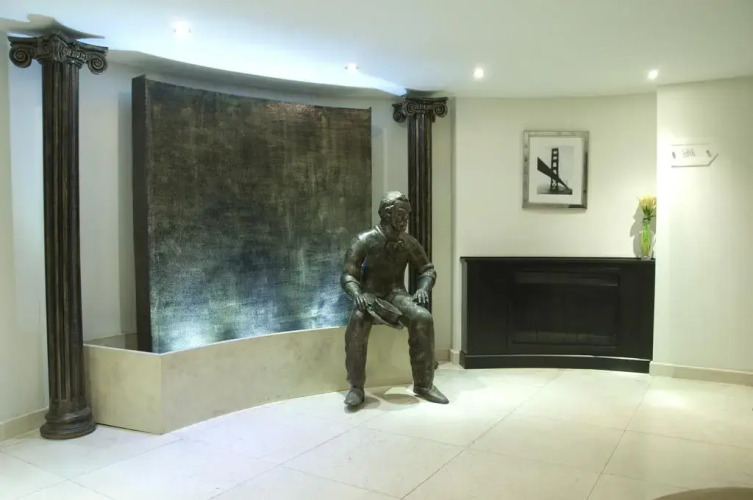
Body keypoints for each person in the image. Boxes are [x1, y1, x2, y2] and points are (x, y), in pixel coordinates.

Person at [340, 191, 448, 407]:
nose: (405, 219)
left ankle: (424, 384)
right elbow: (348, 275)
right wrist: (357, 295)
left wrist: (423, 289)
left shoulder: (409, 242)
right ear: (386, 214)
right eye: (400, 214)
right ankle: (356, 387)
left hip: (397, 294)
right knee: (358, 322)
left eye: (407, 214)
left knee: (423, 318)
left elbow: (427, 270)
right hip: (370, 296)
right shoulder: (364, 240)